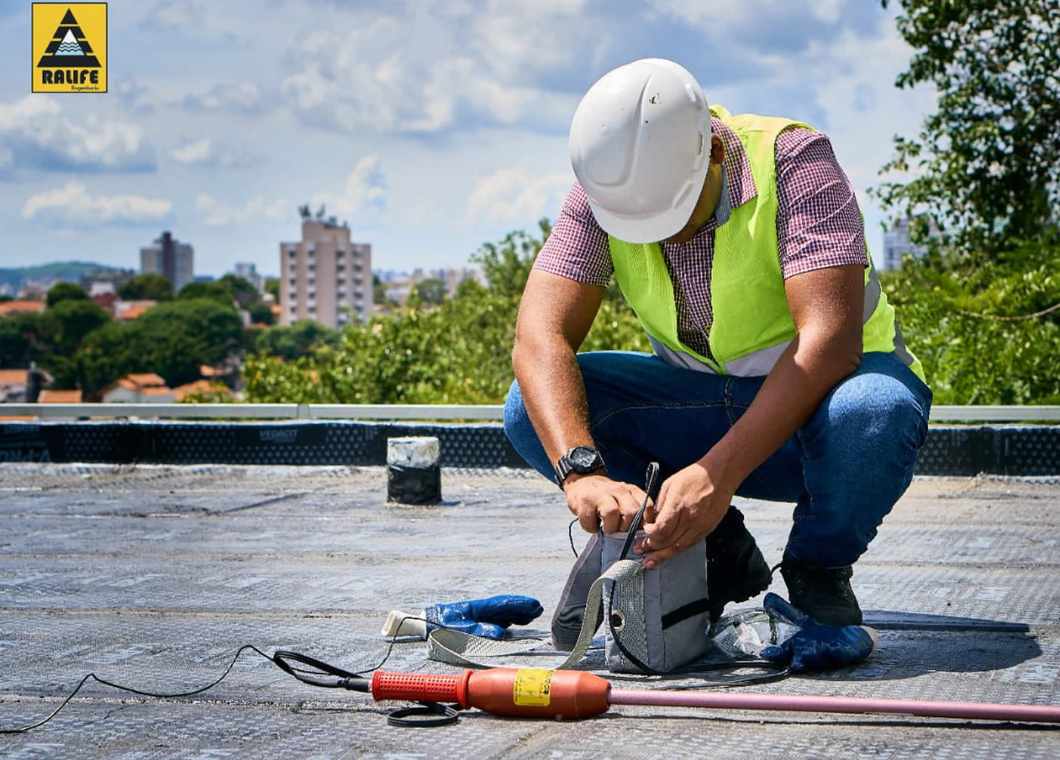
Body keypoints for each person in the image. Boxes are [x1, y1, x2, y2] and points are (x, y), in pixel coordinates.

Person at [503, 58, 933, 626]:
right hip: (705, 409)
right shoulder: (604, 194)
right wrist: (583, 472)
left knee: (874, 411)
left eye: (670, 214)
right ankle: (714, 549)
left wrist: (717, 475)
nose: (656, 234)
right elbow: (539, 337)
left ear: (715, 154)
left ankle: (817, 570)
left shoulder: (795, 162)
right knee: (529, 408)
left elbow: (829, 343)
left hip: (819, 419)